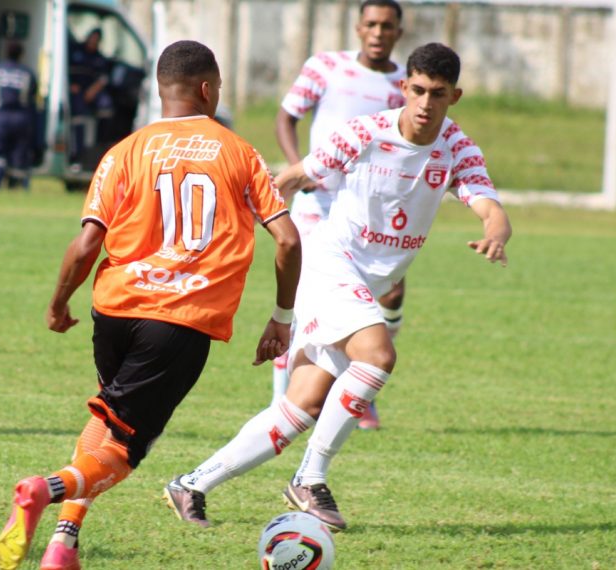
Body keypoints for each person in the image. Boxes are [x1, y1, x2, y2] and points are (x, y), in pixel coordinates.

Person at [165, 42, 511, 533]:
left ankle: (192, 483)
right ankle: (310, 477)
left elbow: (489, 206)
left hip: (369, 284)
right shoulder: (366, 132)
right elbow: (297, 177)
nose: (425, 103)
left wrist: (496, 232)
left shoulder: (457, 148)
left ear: (454, 95)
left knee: (301, 405)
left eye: (437, 93)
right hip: (332, 266)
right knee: (379, 354)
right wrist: (250, 211)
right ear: (404, 87)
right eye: (416, 90)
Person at [0, 40, 301, 570]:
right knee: (125, 451)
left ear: (162, 90)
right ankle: (43, 488)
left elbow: (87, 243)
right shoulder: (239, 152)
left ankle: (63, 544)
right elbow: (289, 241)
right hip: (179, 322)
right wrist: (281, 318)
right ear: (208, 89)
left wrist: (58, 302)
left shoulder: (124, 151)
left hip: (113, 311)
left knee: (109, 418)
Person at [273, 0, 406, 430]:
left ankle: (358, 383)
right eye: (371, 23)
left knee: (387, 296)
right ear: (358, 27)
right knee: (306, 301)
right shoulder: (325, 66)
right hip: (317, 205)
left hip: (367, 211)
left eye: (387, 25)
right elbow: (286, 118)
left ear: (398, 31)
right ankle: (284, 402)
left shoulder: (407, 84)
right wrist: (300, 168)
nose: (378, 32)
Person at [0, 41, 37, 191]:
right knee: (19, 151)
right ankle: (16, 185)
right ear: (21, 55)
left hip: (0, 116)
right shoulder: (27, 73)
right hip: (22, 117)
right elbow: (33, 95)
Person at [68, 28, 112, 164]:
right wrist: (71, 85)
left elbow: (103, 79)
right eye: (92, 38)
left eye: (96, 40)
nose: (93, 42)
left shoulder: (99, 58)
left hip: (92, 93)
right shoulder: (75, 52)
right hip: (76, 92)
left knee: (106, 105)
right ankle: (77, 153)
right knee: (79, 116)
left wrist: (93, 91)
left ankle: (101, 145)